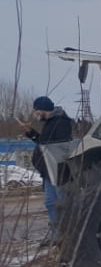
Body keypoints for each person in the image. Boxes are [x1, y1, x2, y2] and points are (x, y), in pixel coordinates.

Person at [21, 96, 74, 245]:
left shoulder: (62, 122)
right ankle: (56, 237)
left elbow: (56, 146)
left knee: (62, 203)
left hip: (58, 171)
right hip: (48, 171)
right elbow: (44, 142)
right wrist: (30, 133)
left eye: (37, 112)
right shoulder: (50, 123)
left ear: (44, 109)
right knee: (51, 203)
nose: (36, 115)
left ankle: (68, 235)